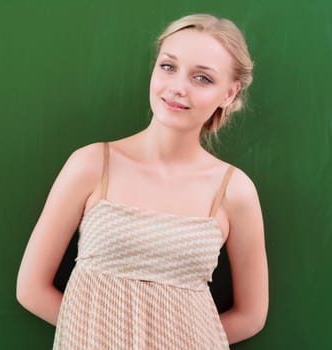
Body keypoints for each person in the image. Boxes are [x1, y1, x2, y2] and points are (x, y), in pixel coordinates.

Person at [16, 13, 269, 349]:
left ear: (229, 93)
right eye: (168, 66)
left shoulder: (234, 191)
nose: (178, 87)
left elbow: (251, 316)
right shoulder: (92, 164)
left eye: (203, 78)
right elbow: (31, 289)